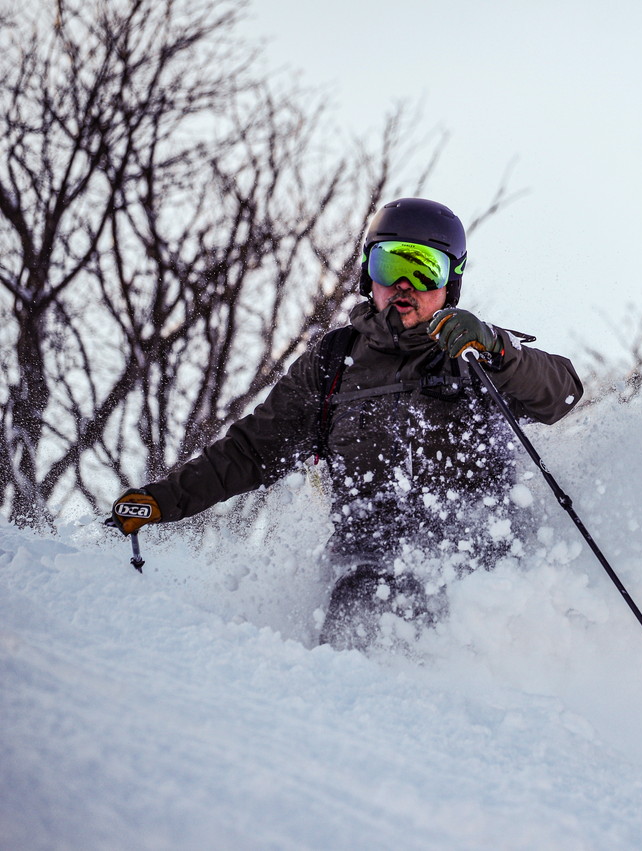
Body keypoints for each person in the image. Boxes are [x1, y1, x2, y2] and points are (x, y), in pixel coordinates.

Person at [107, 198, 583, 650]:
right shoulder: (333, 363)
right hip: (368, 576)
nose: (405, 286)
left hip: (484, 580)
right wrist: (161, 500)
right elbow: (251, 451)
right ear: (367, 275)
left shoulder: (475, 354)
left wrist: (500, 349)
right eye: (390, 266)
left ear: (450, 284)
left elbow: (562, 392)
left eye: (424, 270)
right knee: (357, 643)